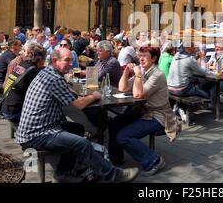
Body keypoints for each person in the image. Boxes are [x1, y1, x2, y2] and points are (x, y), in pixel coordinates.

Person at [15, 48, 139, 183]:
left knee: (77, 129)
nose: (71, 64)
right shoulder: (54, 79)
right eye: (67, 60)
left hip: (34, 128)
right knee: (82, 143)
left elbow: (68, 94)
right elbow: (79, 104)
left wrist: (83, 95)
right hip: (36, 134)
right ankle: (114, 175)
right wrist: (94, 96)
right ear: (55, 61)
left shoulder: (47, 73)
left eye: (71, 60)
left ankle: (63, 172)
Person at [112, 45, 178, 175]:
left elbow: (138, 95)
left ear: (153, 59)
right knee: (114, 123)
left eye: (144, 56)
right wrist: (126, 71)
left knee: (124, 136)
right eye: (140, 55)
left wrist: (137, 75)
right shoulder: (143, 72)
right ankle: (115, 159)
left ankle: (153, 160)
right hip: (143, 112)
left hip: (159, 116)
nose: (141, 58)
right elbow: (122, 88)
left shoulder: (157, 74)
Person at [1, 43, 47, 123]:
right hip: (14, 113)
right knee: (49, 115)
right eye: (44, 59)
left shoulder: (22, 64)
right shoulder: (33, 71)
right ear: (40, 59)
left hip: (6, 107)